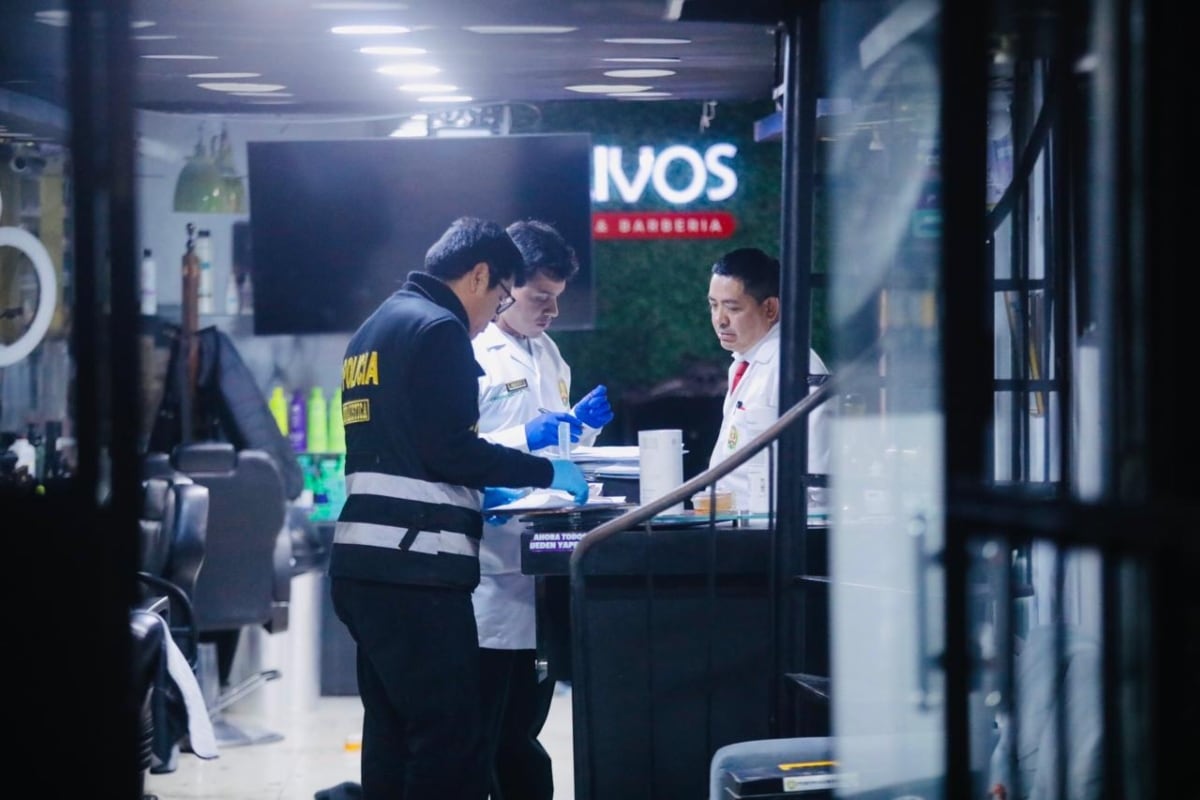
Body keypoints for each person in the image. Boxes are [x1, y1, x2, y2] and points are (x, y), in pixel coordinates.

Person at [327, 216, 590, 800]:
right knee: (450, 741)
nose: (494, 315)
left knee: (393, 734)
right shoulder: (438, 327)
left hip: (364, 565)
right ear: (479, 276)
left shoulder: (373, 329)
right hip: (416, 569)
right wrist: (544, 469)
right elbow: (453, 450)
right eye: (499, 297)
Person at [472, 219, 612, 800]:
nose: (551, 310)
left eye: (558, 299)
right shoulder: (472, 350)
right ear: (506, 287)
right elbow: (457, 447)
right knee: (488, 722)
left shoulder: (551, 355)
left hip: (543, 559)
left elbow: (562, 456)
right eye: (539, 298)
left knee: (526, 716)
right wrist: (524, 438)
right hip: (487, 561)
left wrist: (583, 431)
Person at [706, 247, 831, 514]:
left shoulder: (797, 366)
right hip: (734, 528)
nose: (720, 320)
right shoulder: (743, 362)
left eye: (732, 308)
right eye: (713, 305)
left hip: (767, 536)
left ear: (771, 308)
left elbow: (819, 482)